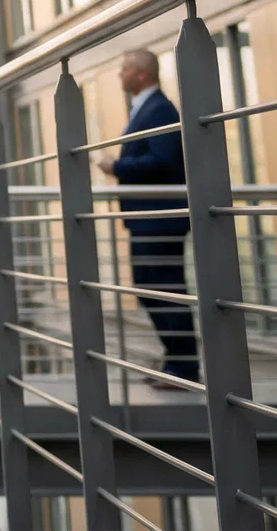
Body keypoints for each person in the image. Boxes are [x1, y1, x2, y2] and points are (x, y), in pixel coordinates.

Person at [96, 49, 198, 384]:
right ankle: (177, 362)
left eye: (124, 69)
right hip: (148, 218)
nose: (120, 75)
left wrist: (116, 167)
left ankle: (183, 367)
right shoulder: (148, 107)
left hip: (159, 219)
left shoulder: (158, 109)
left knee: (165, 290)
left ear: (142, 74)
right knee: (148, 287)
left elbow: (162, 160)